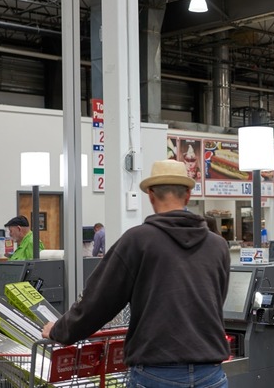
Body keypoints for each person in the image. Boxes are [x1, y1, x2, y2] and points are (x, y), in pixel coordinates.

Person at [42, 159, 230, 387]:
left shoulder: (137, 241)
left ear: (150, 195)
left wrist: (59, 331)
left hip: (156, 373)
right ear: (188, 194)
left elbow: (97, 302)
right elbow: (216, 300)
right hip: (211, 374)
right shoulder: (218, 246)